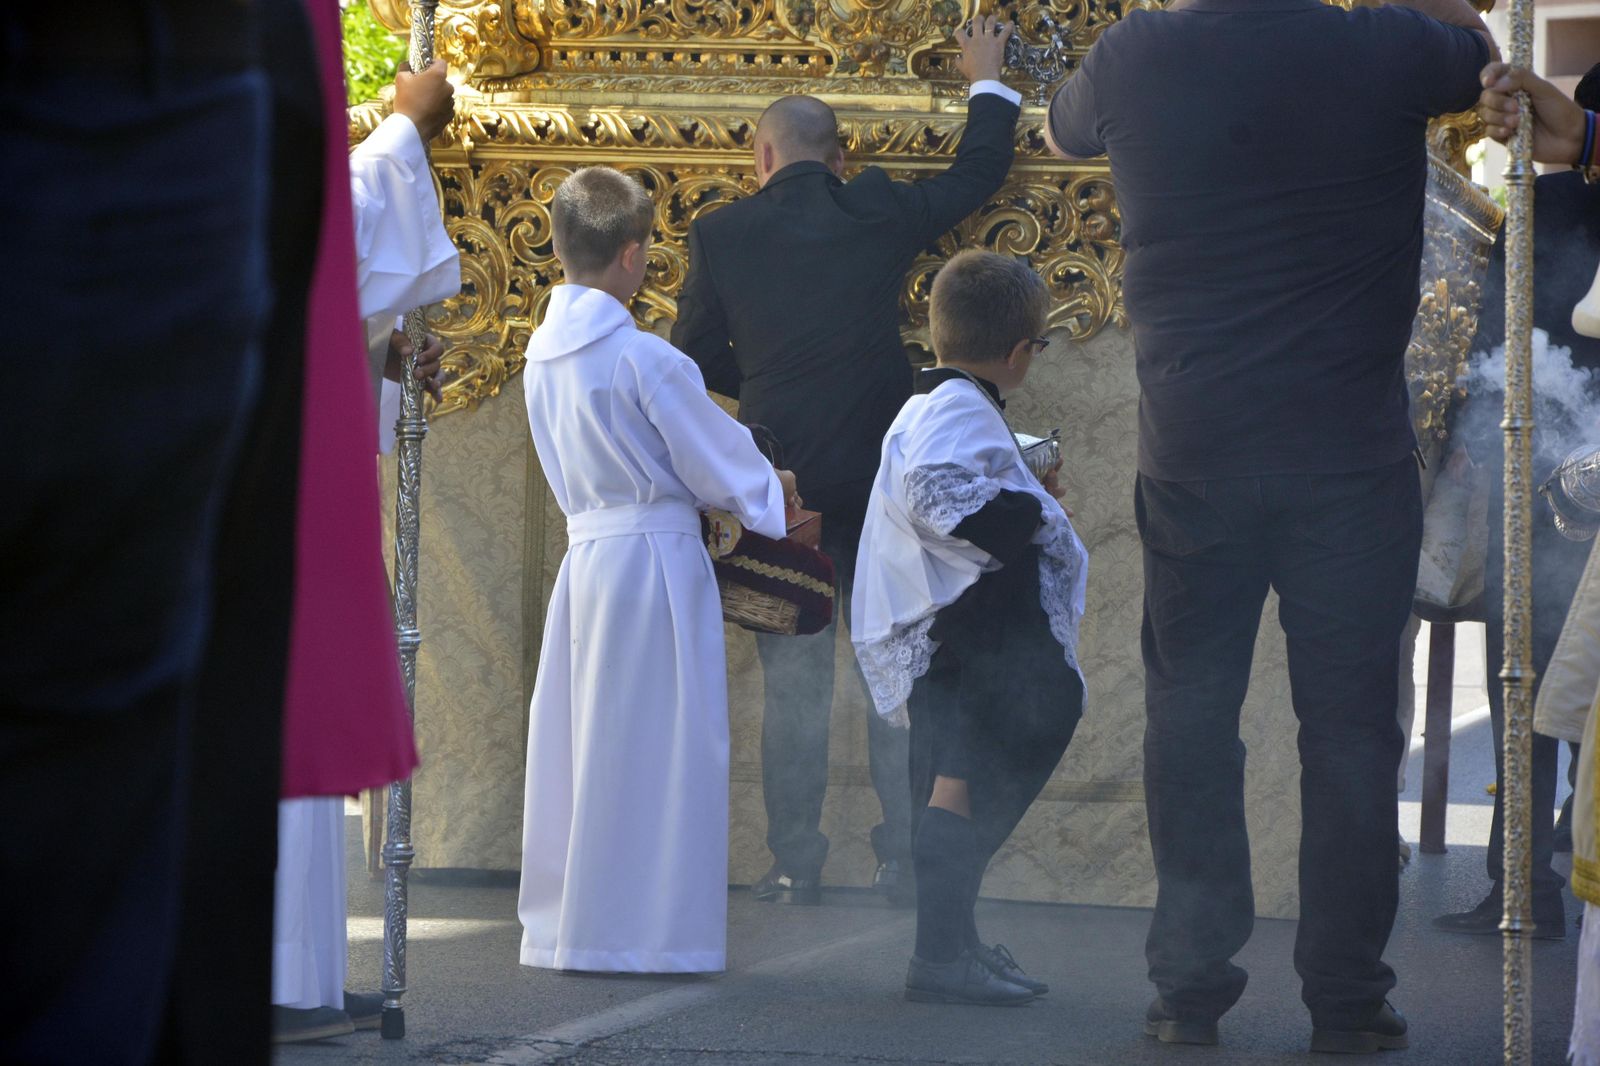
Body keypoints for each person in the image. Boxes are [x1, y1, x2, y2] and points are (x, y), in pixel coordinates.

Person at [1046, 0, 1494, 1053]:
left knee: (1190, 717)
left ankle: (1187, 989)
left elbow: (1062, 134)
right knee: (1349, 733)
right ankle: (1346, 996)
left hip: (1194, 449)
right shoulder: (1385, 46)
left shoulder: (1135, 52)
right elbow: (1479, 54)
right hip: (1346, 455)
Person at [670, 13, 1021, 906]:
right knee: (892, 672)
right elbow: (978, 173)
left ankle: (796, 863)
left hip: (782, 489)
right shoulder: (873, 208)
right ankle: (901, 858)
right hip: (878, 483)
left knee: (794, 687)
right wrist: (986, 76)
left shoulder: (722, 234)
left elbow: (692, 357)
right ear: (839, 157)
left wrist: (765, 379)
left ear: (761, 156)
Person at [517, 166, 799, 972]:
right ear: (634, 254)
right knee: (663, 749)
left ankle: (574, 926)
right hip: (655, 566)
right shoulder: (646, 359)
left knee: (589, 745)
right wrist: (771, 487)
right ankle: (647, 934)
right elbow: (719, 467)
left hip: (588, 562)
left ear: (560, 247)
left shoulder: (541, 354)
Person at [271, 55, 460, 1043]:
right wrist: (405, 128)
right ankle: (266, 979)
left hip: (291, 486)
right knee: (273, 738)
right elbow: (340, 227)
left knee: (303, 755)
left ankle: (299, 972)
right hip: (257, 501)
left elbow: (321, 314)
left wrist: (381, 359)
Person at [853, 250, 1087, 1006]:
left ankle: (954, 947)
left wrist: (1025, 489)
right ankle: (939, 960)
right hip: (973, 640)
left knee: (952, 790)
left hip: (957, 637)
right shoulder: (958, 407)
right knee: (958, 790)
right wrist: (1034, 511)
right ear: (1020, 352)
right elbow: (936, 491)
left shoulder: (935, 402)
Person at [1433, 63, 1600, 943]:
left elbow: (1490, 338)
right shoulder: (1546, 207)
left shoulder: (1545, 208)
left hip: (1544, 487)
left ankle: (1523, 886)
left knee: (1525, 690)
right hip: (1560, 476)